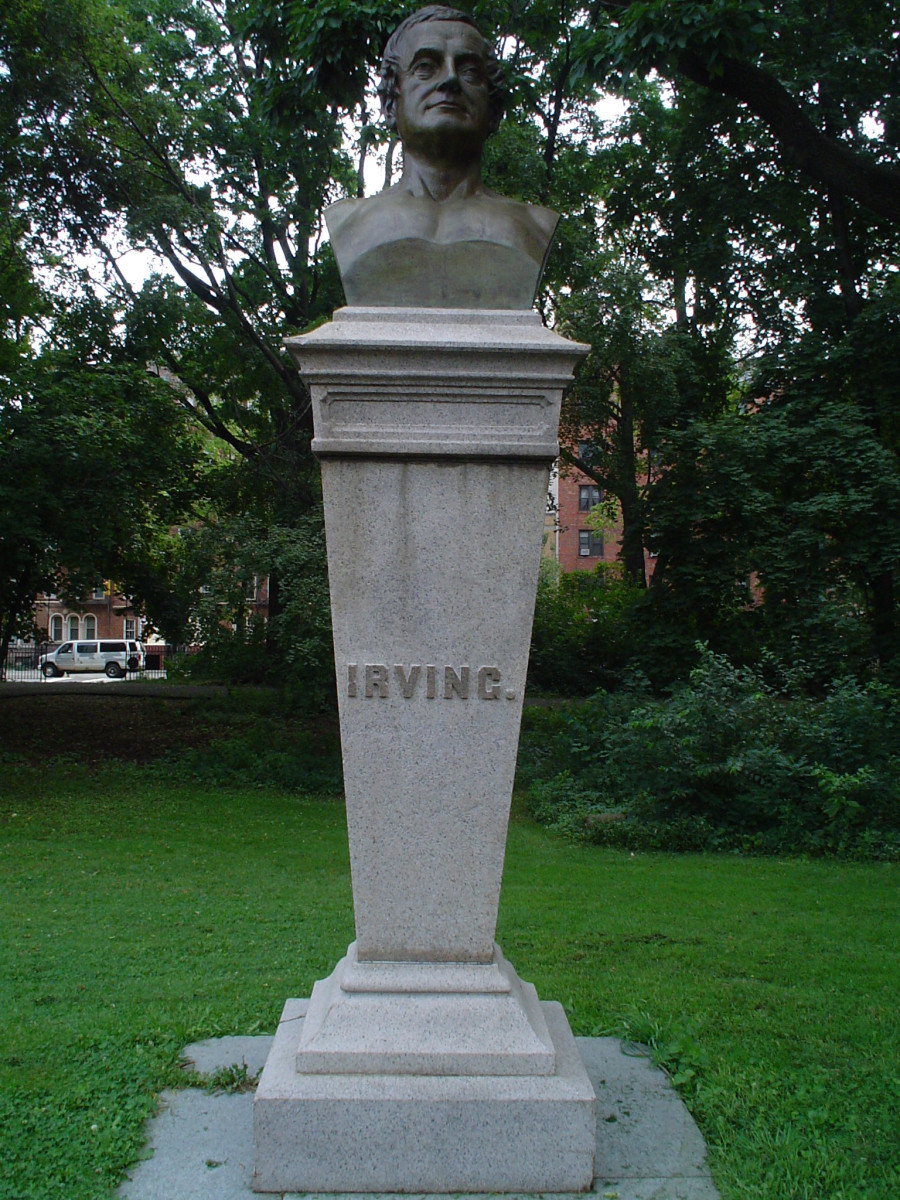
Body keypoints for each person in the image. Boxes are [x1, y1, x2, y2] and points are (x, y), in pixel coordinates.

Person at [326, 6, 558, 309]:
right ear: (390, 102)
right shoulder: (348, 224)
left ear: (494, 111)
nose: (450, 80)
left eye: (470, 71)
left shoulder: (533, 227)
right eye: (425, 67)